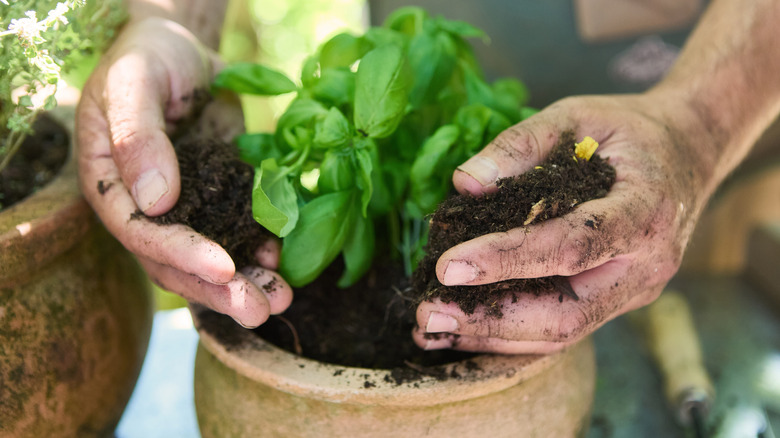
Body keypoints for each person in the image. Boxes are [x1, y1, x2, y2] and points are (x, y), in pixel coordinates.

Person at [76, 0, 780, 354]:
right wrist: (172, 19)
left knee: (724, 322)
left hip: (724, 93)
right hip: (458, 37)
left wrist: (700, 123)